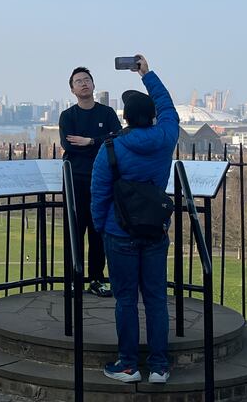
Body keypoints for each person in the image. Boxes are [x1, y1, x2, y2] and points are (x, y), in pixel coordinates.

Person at [90, 54, 179, 384]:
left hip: (119, 230)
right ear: (152, 118)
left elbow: (99, 194)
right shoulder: (166, 137)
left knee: (125, 300)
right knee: (156, 298)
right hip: (155, 229)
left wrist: (101, 227)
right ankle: (159, 365)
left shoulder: (112, 147)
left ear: (126, 117)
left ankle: (128, 364)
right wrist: (147, 73)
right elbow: (168, 107)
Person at [59, 66, 121, 297]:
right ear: (72, 89)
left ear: (93, 85)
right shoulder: (68, 116)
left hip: (103, 179)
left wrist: (89, 142)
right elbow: (68, 145)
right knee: (74, 231)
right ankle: (73, 279)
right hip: (75, 180)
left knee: (98, 231)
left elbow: (118, 138)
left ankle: (96, 278)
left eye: (87, 80)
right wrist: (98, 143)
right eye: (78, 81)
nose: (84, 83)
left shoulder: (107, 113)